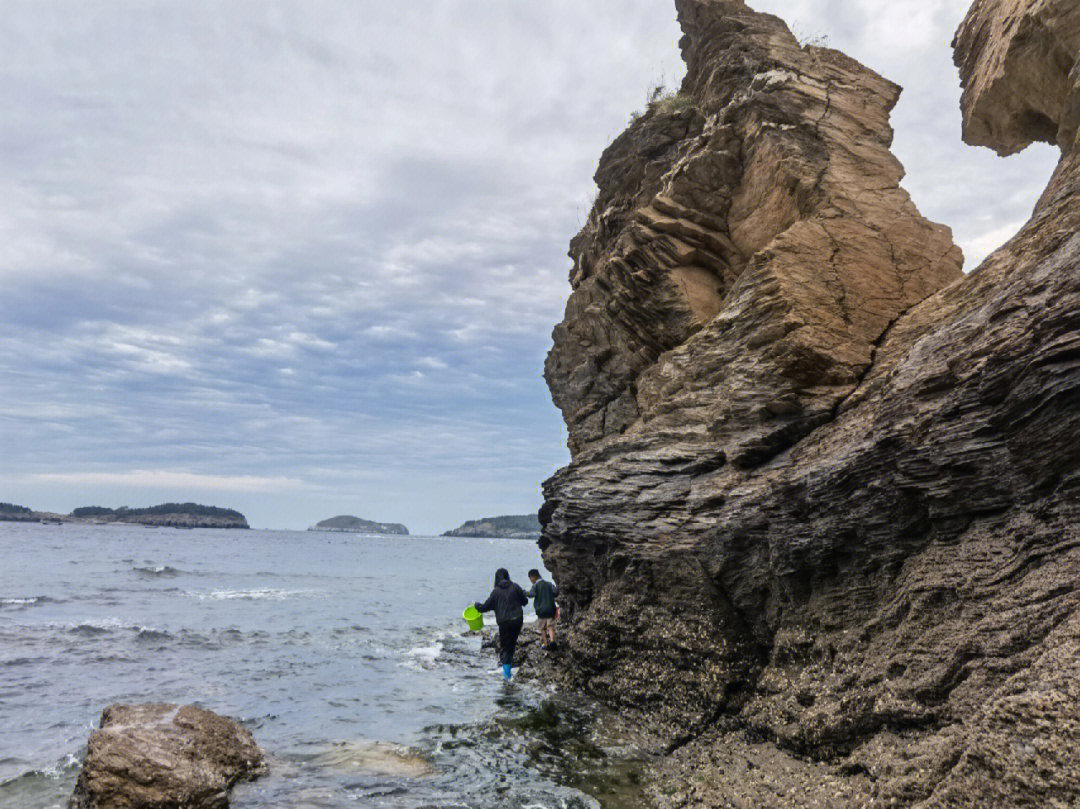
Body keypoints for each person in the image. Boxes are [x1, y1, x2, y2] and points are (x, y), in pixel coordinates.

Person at [474, 568, 528, 681]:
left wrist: (477, 606)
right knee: (512, 643)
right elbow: (525, 601)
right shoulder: (515, 586)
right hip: (517, 619)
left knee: (506, 647)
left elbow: (485, 607)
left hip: (504, 622)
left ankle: (507, 675)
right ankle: (508, 669)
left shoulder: (496, 592)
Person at [527, 568, 558, 650]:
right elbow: (555, 592)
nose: (531, 581)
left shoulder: (535, 586)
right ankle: (552, 641)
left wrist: (523, 592)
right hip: (551, 608)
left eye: (530, 579)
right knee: (550, 626)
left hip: (541, 610)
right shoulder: (549, 584)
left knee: (543, 628)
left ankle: (546, 644)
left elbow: (531, 594)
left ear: (533, 577)